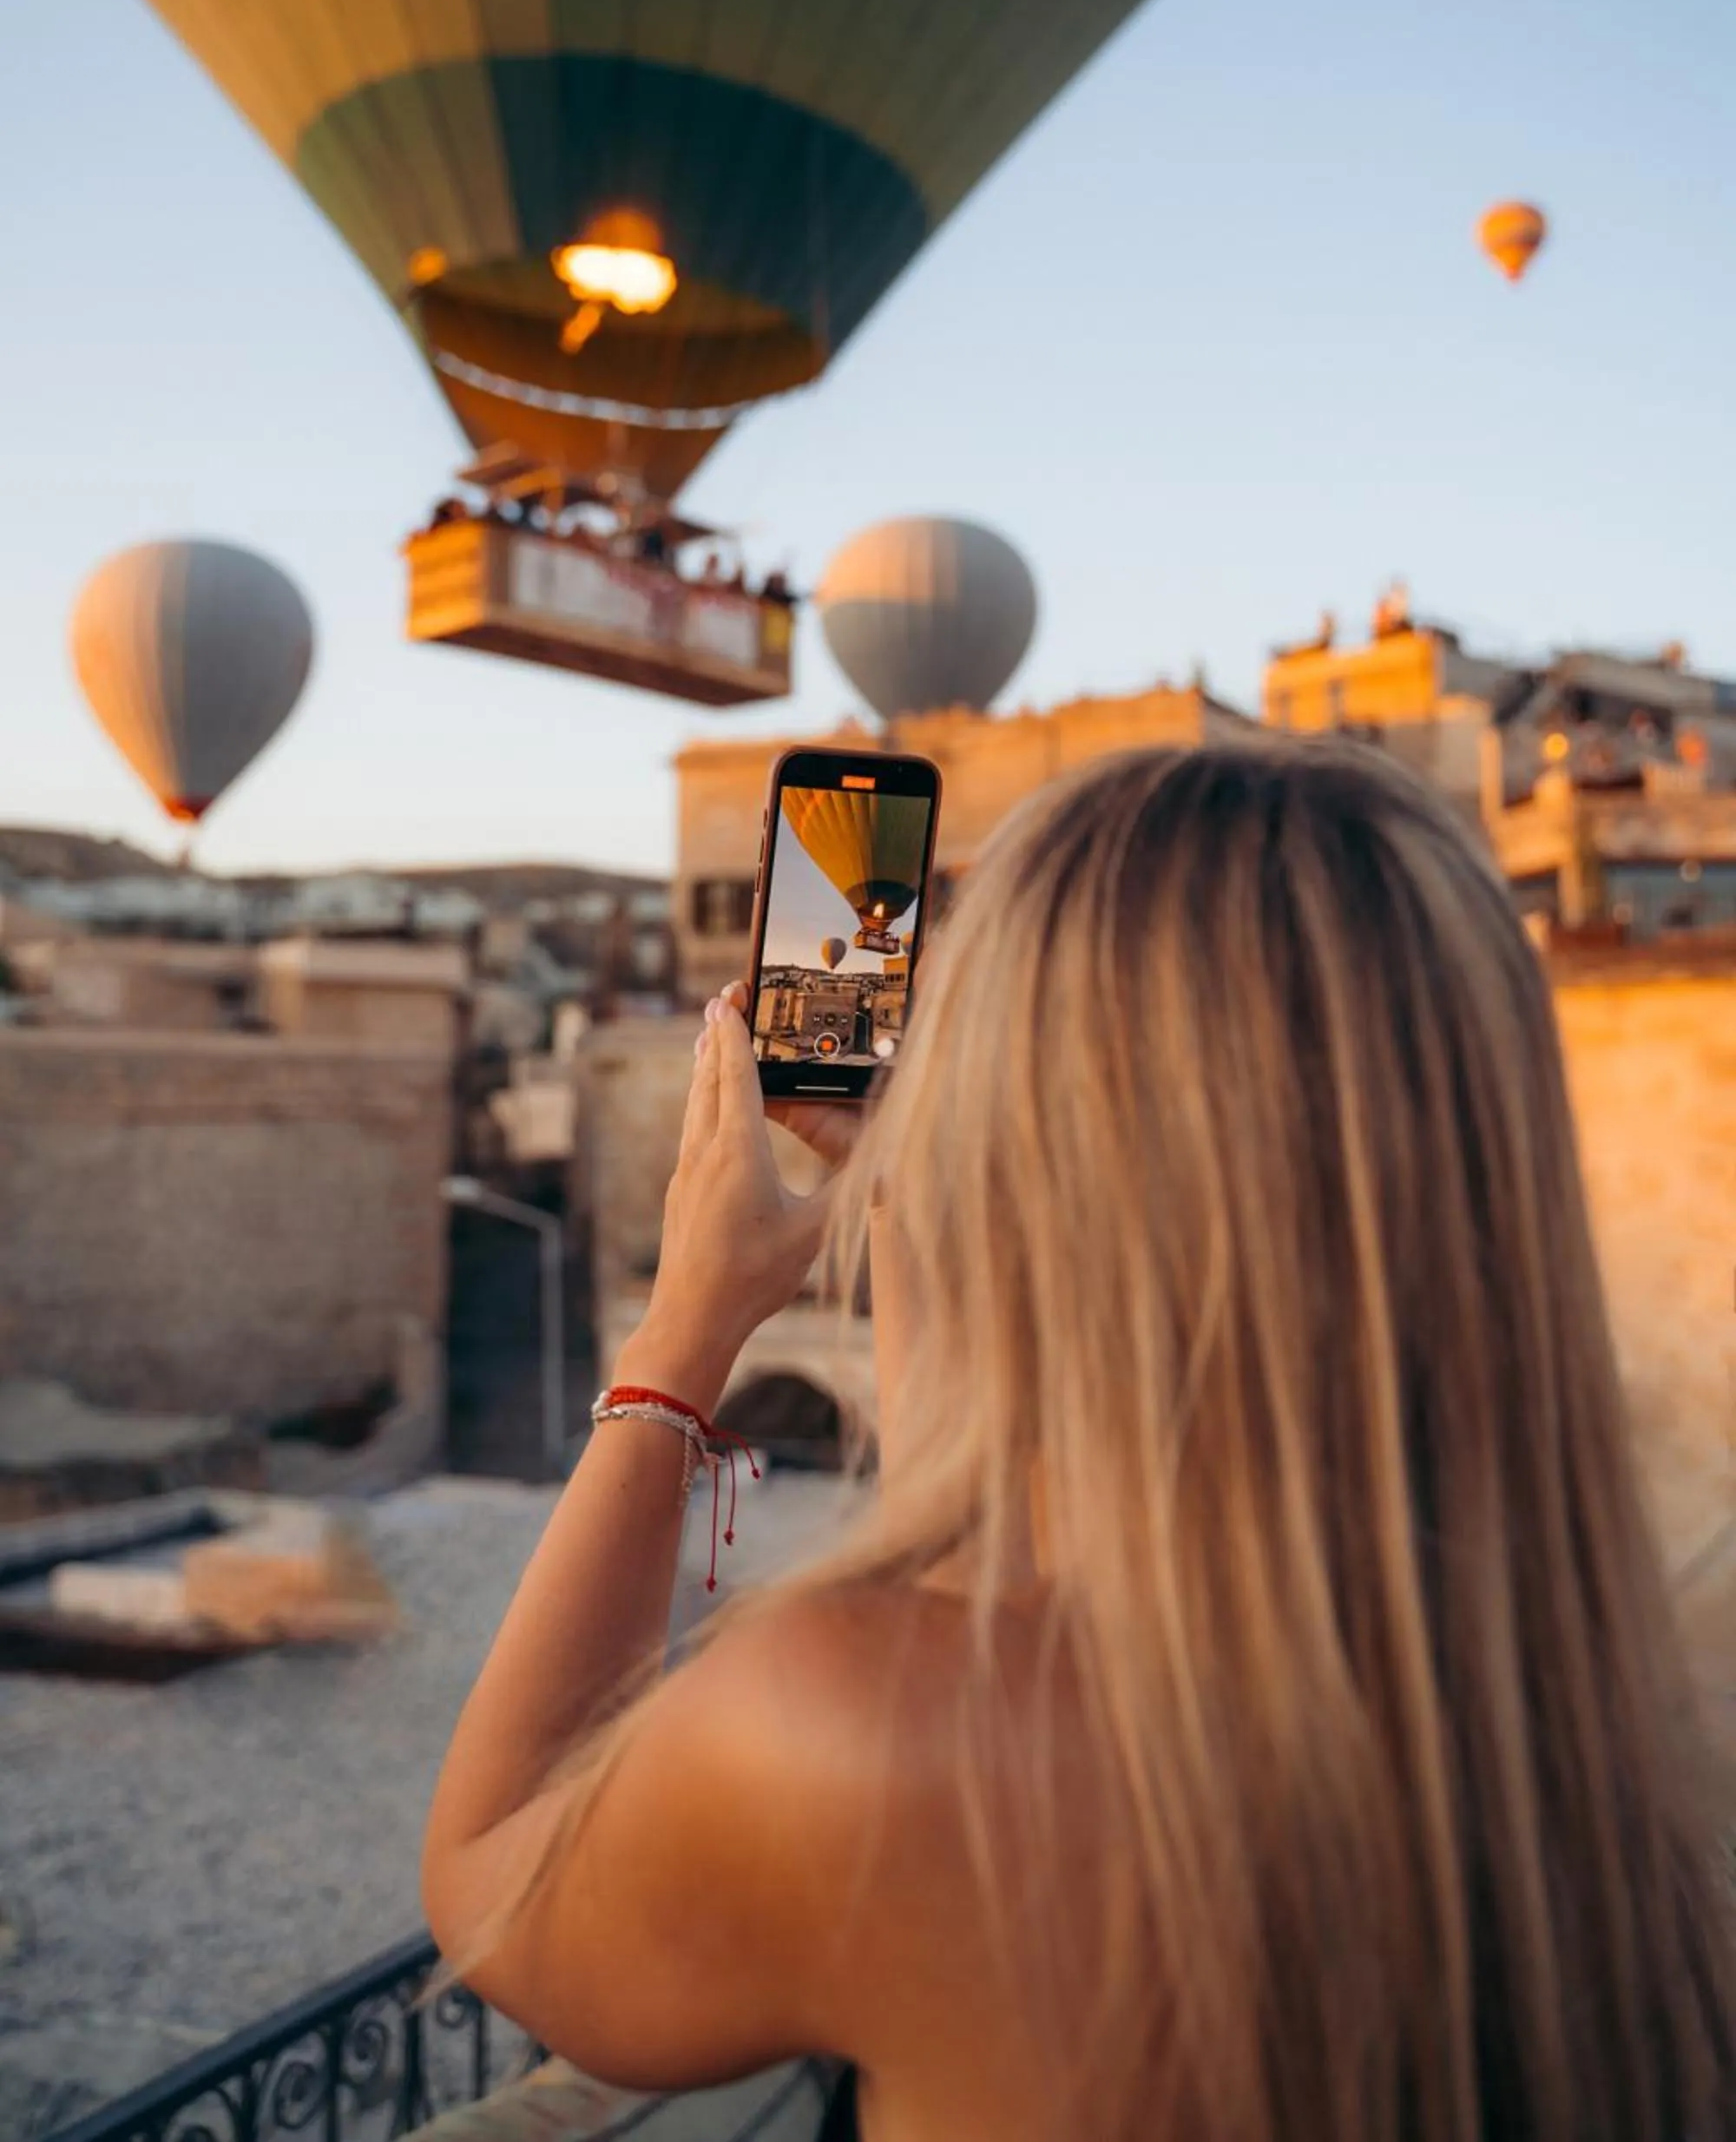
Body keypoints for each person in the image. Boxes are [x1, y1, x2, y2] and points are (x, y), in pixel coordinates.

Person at [422, 742, 1735, 2142]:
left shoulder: (871, 1738)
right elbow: (990, 1537)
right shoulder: (1589, 1734)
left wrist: (682, 1333)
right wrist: (908, 1198)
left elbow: (495, 1881)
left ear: (1025, 1150)